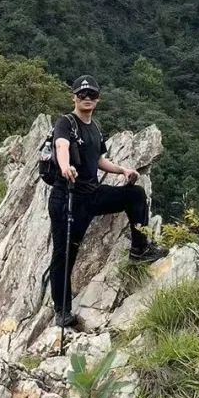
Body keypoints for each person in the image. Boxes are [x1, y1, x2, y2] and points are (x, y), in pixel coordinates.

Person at [48, 75, 167, 327]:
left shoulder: (94, 128)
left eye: (91, 94)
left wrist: (122, 170)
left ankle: (140, 249)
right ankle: (62, 311)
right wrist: (66, 166)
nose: (87, 98)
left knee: (135, 194)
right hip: (67, 199)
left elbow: (99, 159)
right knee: (65, 254)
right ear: (74, 97)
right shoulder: (66, 123)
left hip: (92, 194)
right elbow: (61, 146)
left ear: (98, 99)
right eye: (82, 94)